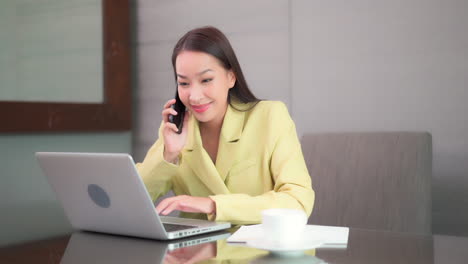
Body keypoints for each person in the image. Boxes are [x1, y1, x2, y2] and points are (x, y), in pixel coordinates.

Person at [136, 26, 314, 225]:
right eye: (184, 83)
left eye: (206, 80)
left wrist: (213, 205)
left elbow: (298, 201)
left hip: (258, 250)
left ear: (231, 76)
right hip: (196, 252)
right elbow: (133, 201)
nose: (194, 96)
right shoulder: (175, 130)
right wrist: (168, 155)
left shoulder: (270, 117)